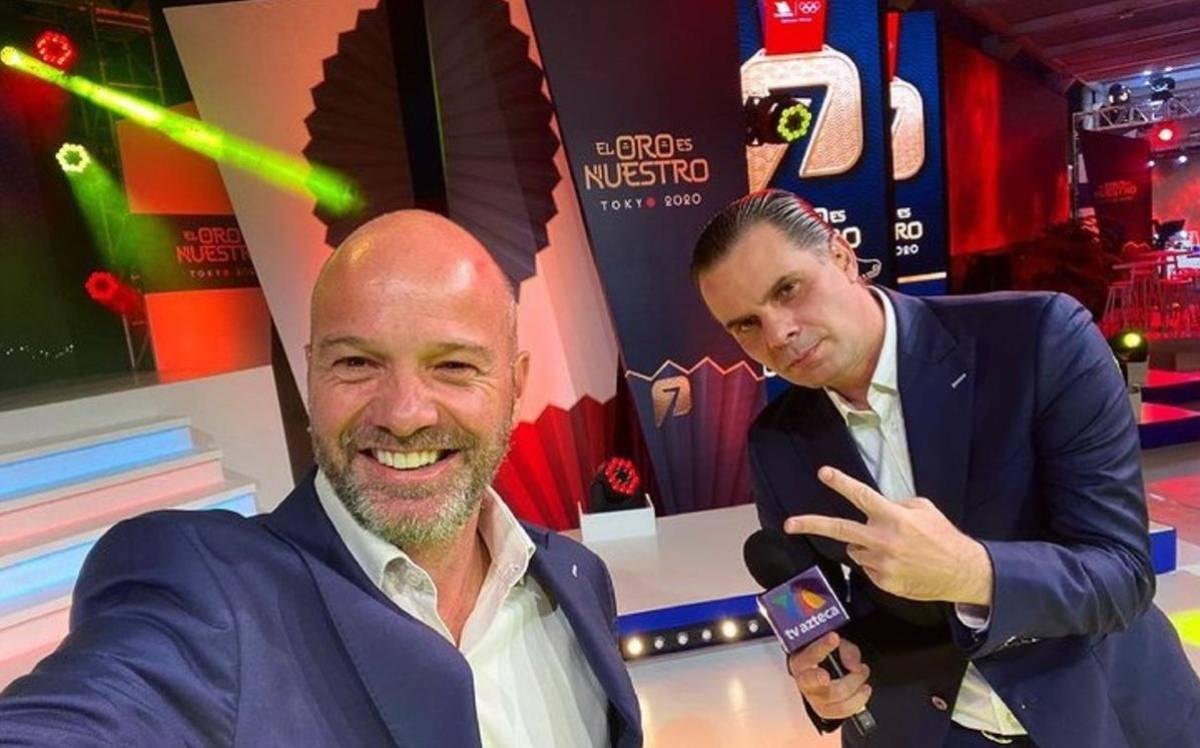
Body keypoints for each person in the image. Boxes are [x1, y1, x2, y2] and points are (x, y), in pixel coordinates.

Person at [0, 211, 642, 748]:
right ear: (311, 375)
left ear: (516, 384)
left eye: (452, 366)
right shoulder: (207, 593)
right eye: (357, 362)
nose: (404, 414)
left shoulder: (578, 582)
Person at [692, 189, 1200, 748]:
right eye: (746, 324)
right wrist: (817, 672)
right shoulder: (778, 439)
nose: (778, 334)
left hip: (1108, 717)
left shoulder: (1037, 340)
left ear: (841, 257)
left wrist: (972, 572)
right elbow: (804, 594)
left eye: (788, 289)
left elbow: (1123, 573)